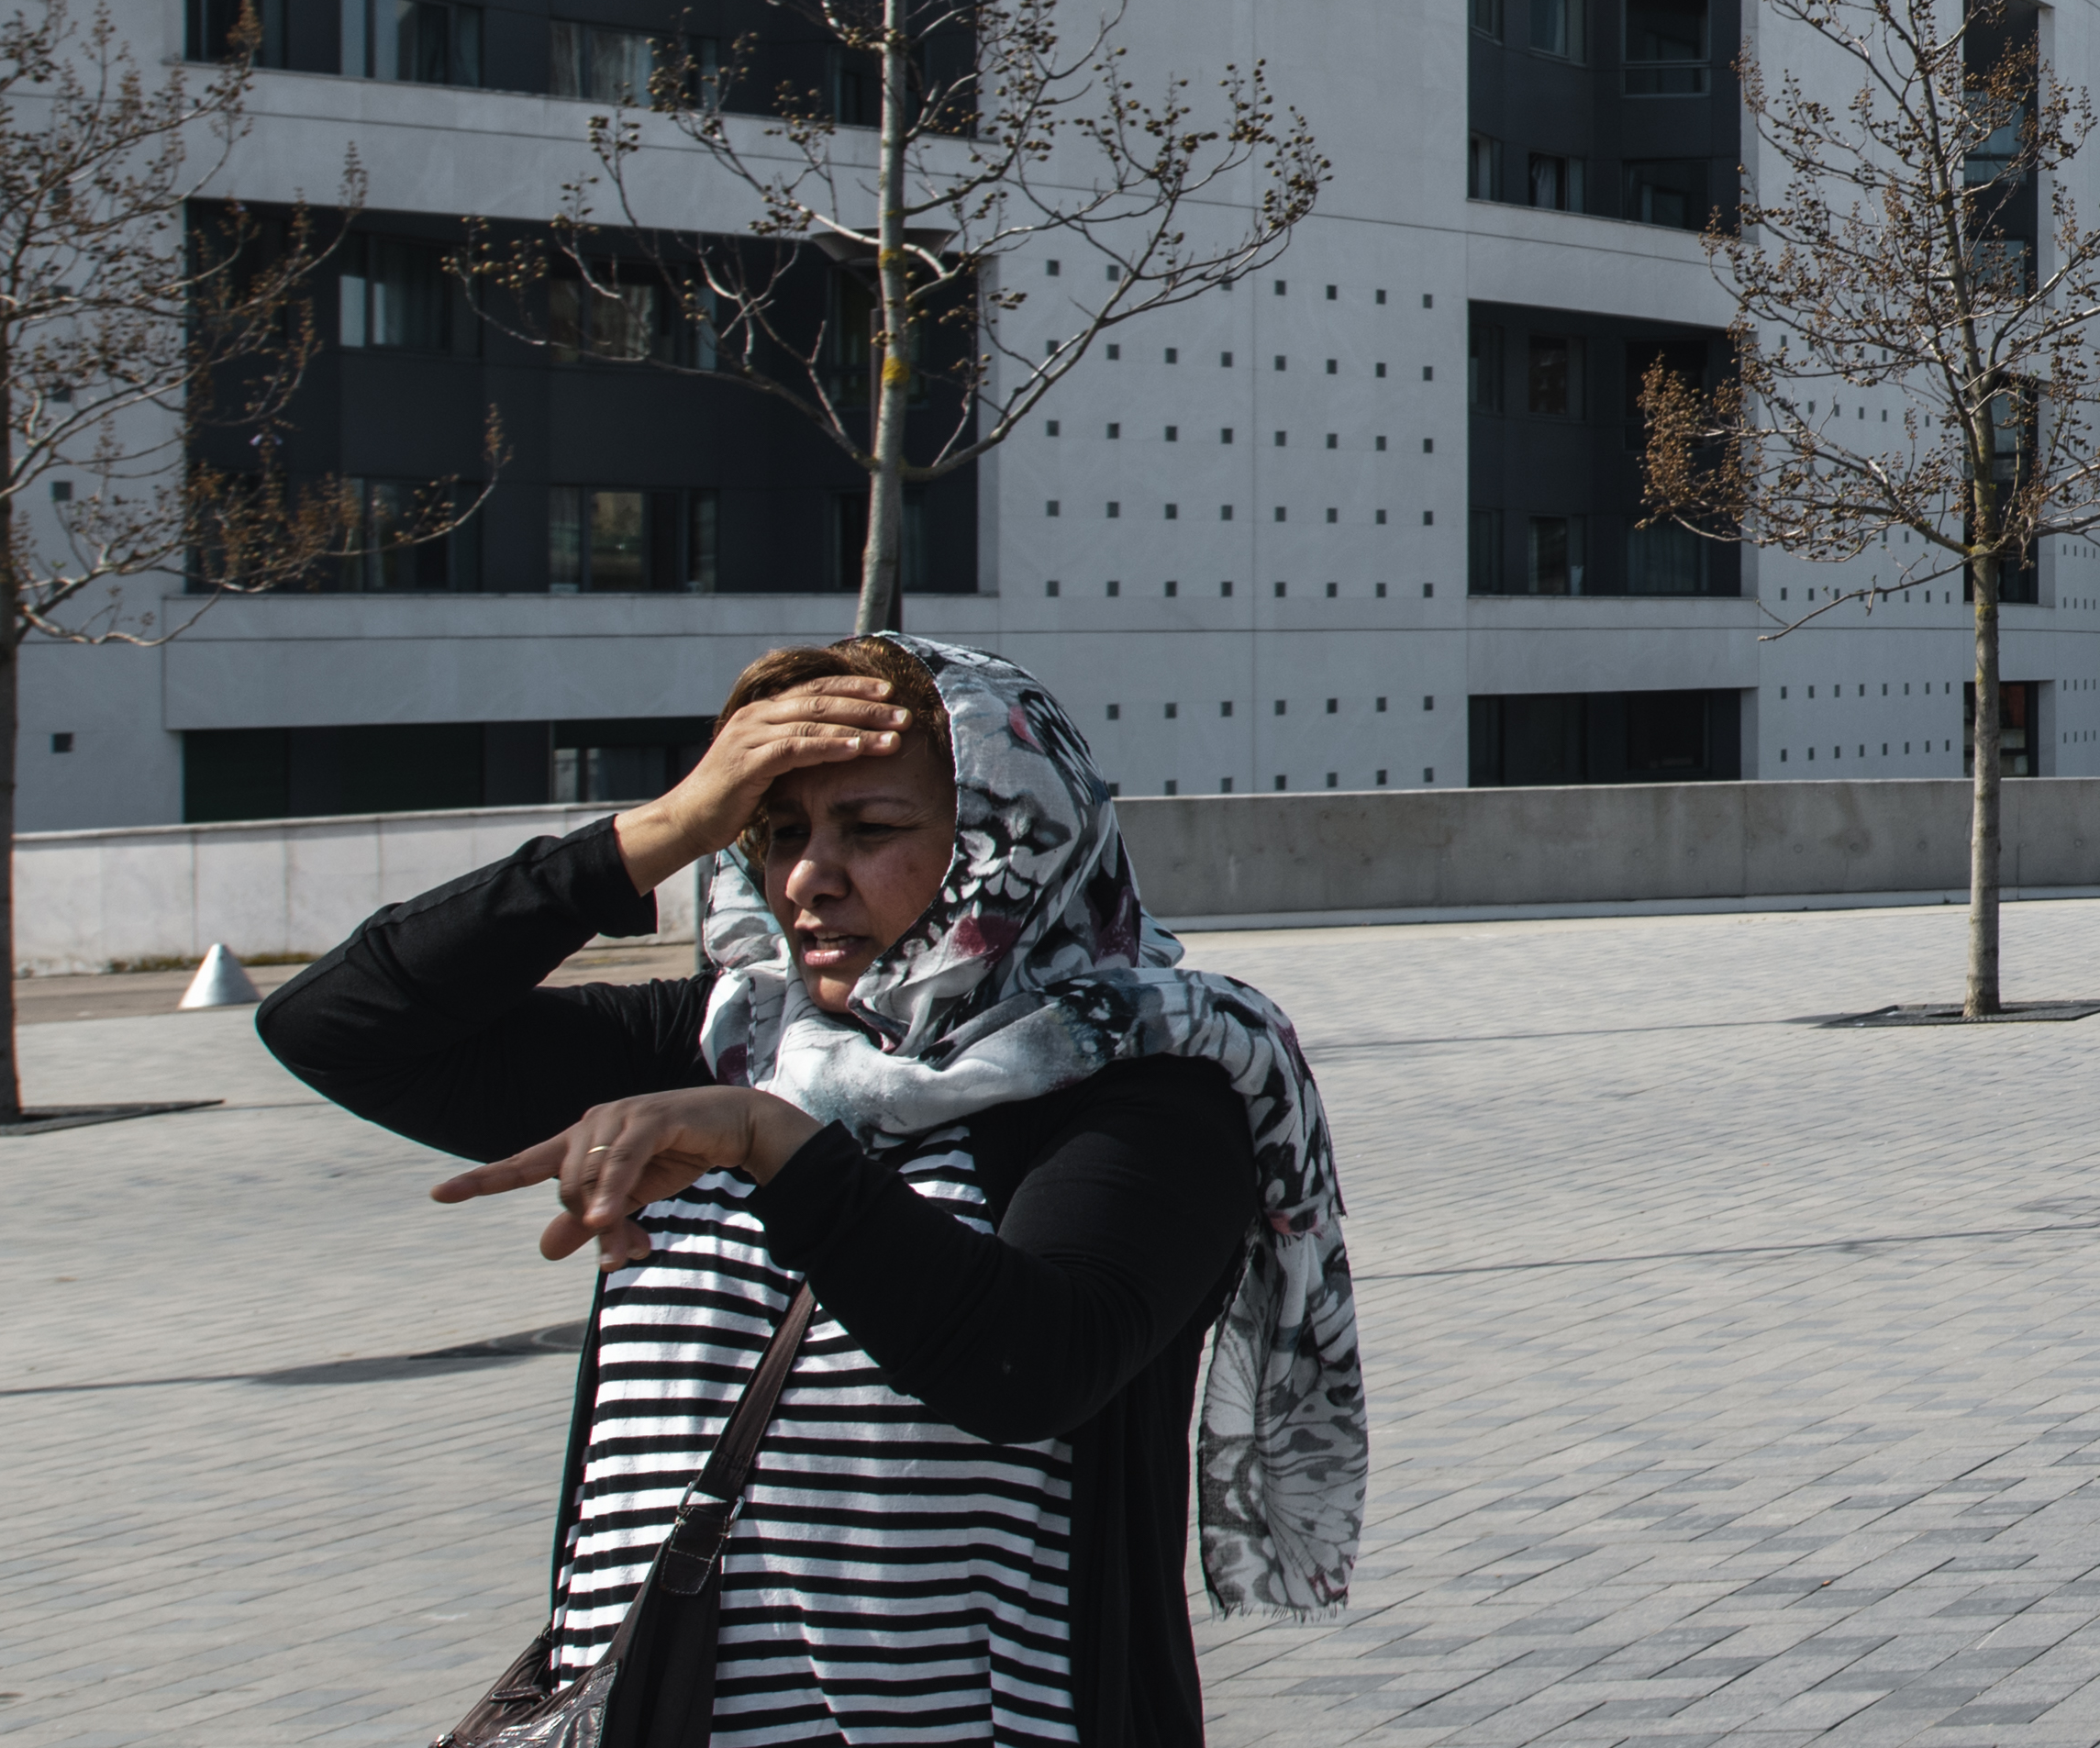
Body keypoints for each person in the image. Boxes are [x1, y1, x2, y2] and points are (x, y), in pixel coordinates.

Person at [259, 634, 1363, 1746]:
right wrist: (658, 831)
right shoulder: (725, 1040)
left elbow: (1030, 1365)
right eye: (778, 834)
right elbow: (338, 1026)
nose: (806, 879)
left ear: (1011, 840)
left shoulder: (1153, 1079)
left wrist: (774, 1145)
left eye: (871, 831)